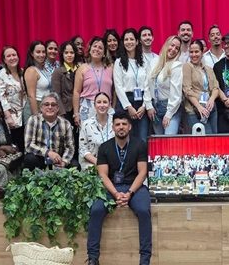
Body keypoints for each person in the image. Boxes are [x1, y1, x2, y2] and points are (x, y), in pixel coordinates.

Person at [86, 112, 151, 265]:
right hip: (111, 187)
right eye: (117, 124)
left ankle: (145, 259)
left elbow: (142, 172)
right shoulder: (105, 147)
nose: (121, 127)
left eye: (124, 124)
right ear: (113, 127)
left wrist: (129, 193)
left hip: (135, 187)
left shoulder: (140, 144)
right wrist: (115, 193)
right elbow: (102, 175)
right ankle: (93, 258)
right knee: (96, 210)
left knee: (144, 211)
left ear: (129, 127)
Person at [113, 28, 154, 142]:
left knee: (142, 139)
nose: (129, 42)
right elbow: (118, 87)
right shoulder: (119, 62)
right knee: (126, 138)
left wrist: (144, 106)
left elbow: (148, 84)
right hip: (126, 102)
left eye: (131, 39)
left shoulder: (144, 61)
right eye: (126, 39)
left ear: (137, 42)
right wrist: (128, 107)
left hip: (142, 101)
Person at [23, 93, 75, 170]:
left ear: (57, 108)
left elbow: (70, 147)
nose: (50, 107)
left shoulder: (65, 123)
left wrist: (64, 161)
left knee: (75, 165)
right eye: (46, 104)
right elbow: (28, 145)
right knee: (29, 159)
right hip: (40, 157)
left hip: (58, 159)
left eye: (53, 105)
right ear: (41, 108)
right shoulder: (33, 120)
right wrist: (48, 153)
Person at [73, 37, 114, 125]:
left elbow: (114, 90)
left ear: (104, 53)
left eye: (100, 48)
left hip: (106, 107)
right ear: (90, 49)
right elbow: (76, 92)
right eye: (95, 46)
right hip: (88, 108)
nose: (97, 49)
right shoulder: (82, 68)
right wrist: (76, 113)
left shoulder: (110, 68)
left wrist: (113, 107)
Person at [182, 40, 220, 134]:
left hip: (210, 108)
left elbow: (215, 87)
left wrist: (211, 99)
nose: (194, 54)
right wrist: (199, 107)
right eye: (191, 52)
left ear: (202, 52)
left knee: (214, 137)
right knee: (205, 137)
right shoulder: (187, 67)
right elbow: (187, 90)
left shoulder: (208, 69)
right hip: (194, 110)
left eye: (196, 52)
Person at [149, 36, 183, 135]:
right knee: (159, 142)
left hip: (170, 107)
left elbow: (176, 94)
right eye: (172, 45)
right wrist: (148, 105)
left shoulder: (176, 66)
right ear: (166, 44)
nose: (173, 49)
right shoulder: (154, 61)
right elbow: (147, 85)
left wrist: (169, 114)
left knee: (169, 140)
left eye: (177, 48)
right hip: (155, 107)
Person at [0, 46, 26, 152]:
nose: (12, 58)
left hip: (24, 114)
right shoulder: (1, 75)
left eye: (14, 55)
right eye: (8, 56)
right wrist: (8, 116)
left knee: (24, 144)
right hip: (11, 116)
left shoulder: (22, 72)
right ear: (4, 60)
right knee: (15, 146)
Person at [78, 92, 114, 169]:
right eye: (99, 102)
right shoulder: (86, 124)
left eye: (105, 102)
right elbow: (83, 149)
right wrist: (99, 163)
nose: (102, 105)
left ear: (109, 105)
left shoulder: (115, 123)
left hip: (112, 164)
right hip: (92, 164)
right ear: (94, 105)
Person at [23, 41, 52, 117]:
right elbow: (31, 96)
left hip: (45, 106)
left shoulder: (44, 69)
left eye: (43, 52)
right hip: (36, 107)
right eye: (38, 52)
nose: (41, 55)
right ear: (32, 54)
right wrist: (36, 116)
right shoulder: (31, 70)